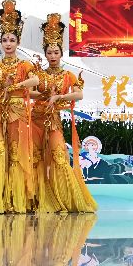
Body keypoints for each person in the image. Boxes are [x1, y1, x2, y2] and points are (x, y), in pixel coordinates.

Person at [0, 0, 40, 213]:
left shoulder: (25, 64)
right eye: (4, 40)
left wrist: (16, 86)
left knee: (15, 153)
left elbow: (35, 81)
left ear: (18, 42)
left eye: (12, 40)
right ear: (0, 42)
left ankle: (15, 200)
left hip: (17, 111)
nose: (8, 43)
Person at [32, 13, 96, 212]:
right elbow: (28, 92)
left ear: (61, 54)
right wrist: (44, 94)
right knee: (35, 158)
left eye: (56, 52)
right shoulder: (38, 74)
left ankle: (64, 199)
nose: (52, 56)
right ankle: (35, 199)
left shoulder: (68, 75)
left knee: (59, 155)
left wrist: (59, 97)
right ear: (45, 54)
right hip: (35, 119)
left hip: (54, 120)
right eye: (49, 52)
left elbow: (79, 94)